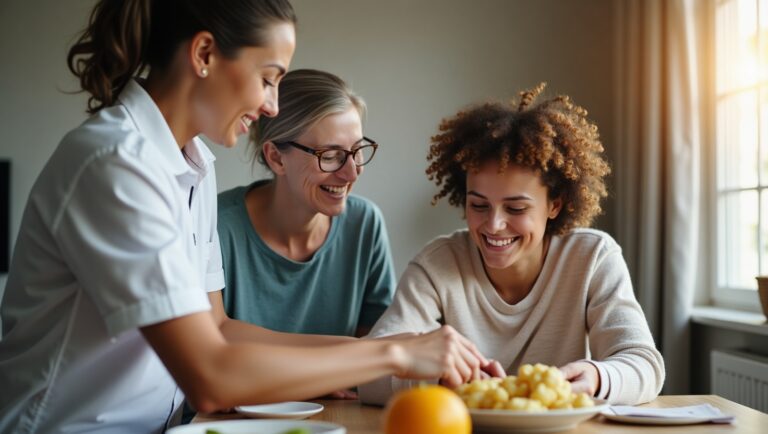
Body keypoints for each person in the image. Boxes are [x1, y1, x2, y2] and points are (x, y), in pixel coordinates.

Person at [0, 1, 490, 433]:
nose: (271, 103)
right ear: (205, 54)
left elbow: (220, 329)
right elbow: (210, 375)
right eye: (268, 77)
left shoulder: (192, 163)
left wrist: (379, 348)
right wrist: (395, 354)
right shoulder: (114, 164)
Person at [359, 83, 665, 406]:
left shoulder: (592, 258)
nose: (493, 225)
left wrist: (598, 377)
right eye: (478, 206)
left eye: (516, 209)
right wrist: (437, 377)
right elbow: (367, 376)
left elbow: (644, 364)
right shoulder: (438, 264)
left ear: (554, 205)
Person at [217, 69, 395, 342]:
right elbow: (214, 349)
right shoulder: (217, 228)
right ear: (276, 158)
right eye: (331, 156)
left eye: (357, 151)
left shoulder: (365, 224)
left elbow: (377, 340)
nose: (352, 173)